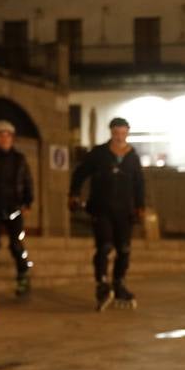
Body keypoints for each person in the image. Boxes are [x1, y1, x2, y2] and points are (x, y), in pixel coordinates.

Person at [70, 117, 145, 310]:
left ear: (127, 132)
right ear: (111, 132)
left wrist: (140, 207)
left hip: (125, 212)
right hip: (102, 208)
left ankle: (119, 283)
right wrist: (74, 194)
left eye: (122, 132)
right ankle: (102, 283)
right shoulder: (99, 153)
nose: (119, 136)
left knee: (124, 250)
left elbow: (139, 185)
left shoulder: (132, 157)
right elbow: (80, 173)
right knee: (104, 246)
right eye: (116, 132)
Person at [0, 120, 34, 296]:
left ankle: (23, 277)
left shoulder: (19, 159)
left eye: (7, 135)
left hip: (15, 208)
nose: (4, 139)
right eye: (0, 135)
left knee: (17, 244)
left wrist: (28, 202)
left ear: (12, 138)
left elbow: (27, 181)